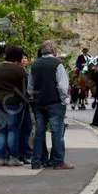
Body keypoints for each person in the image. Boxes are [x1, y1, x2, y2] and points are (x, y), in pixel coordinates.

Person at [28, 39, 73, 170]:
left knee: (39, 133)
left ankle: (36, 161)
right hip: (55, 102)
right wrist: (64, 99)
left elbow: (30, 87)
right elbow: (63, 86)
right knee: (56, 132)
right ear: (54, 50)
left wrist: (33, 97)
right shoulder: (57, 64)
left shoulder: (34, 65)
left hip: (39, 103)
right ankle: (58, 162)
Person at [0, 45, 27, 166]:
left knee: (2, 129)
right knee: (13, 130)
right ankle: (13, 157)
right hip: (13, 103)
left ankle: (1, 158)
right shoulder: (20, 70)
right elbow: (24, 89)